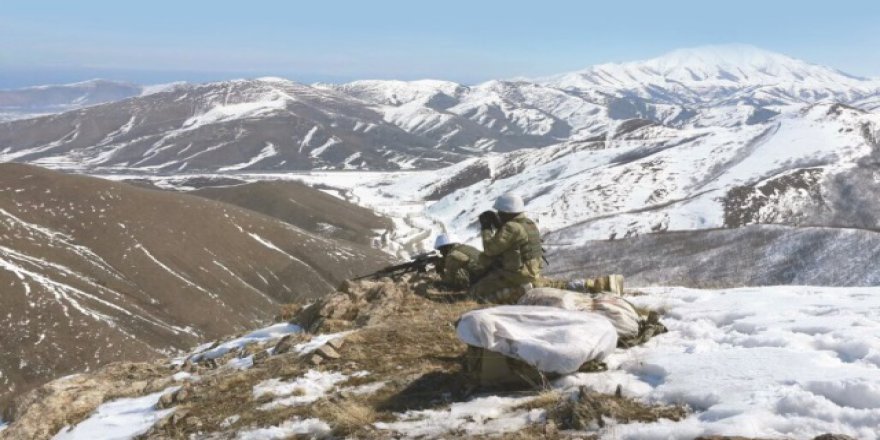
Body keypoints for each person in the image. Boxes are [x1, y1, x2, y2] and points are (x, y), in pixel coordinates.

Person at [469, 193, 543, 304]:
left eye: (500, 212)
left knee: (474, 293)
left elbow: (489, 250)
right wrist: (499, 226)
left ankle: (520, 290)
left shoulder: (511, 227)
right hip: (532, 272)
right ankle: (526, 286)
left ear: (506, 212)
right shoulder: (529, 223)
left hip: (517, 275)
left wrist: (486, 228)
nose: (498, 214)